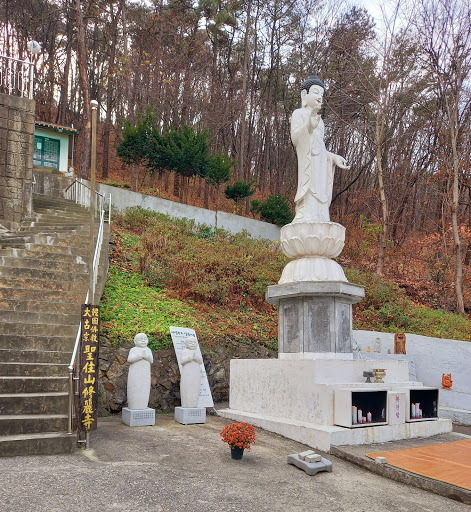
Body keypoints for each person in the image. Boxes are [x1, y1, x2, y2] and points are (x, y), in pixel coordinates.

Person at [291, 74, 350, 223]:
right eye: (316, 92)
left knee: (320, 190)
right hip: (308, 164)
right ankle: (306, 214)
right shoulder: (298, 114)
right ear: (304, 95)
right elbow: (296, 139)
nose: (319, 97)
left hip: (320, 165)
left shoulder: (321, 121)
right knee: (309, 190)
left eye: (322, 94)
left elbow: (319, 147)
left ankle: (321, 215)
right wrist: (308, 127)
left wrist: (332, 157)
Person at [127, 333, 153, 410]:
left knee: (144, 388)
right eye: (141, 339)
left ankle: (143, 405)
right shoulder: (133, 350)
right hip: (135, 373)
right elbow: (129, 360)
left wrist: (146, 356)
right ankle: (134, 405)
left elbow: (151, 360)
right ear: (135, 341)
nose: (143, 341)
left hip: (145, 374)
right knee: (135, 387)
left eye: (145, 339)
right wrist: (140, 356)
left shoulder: (148, 350)